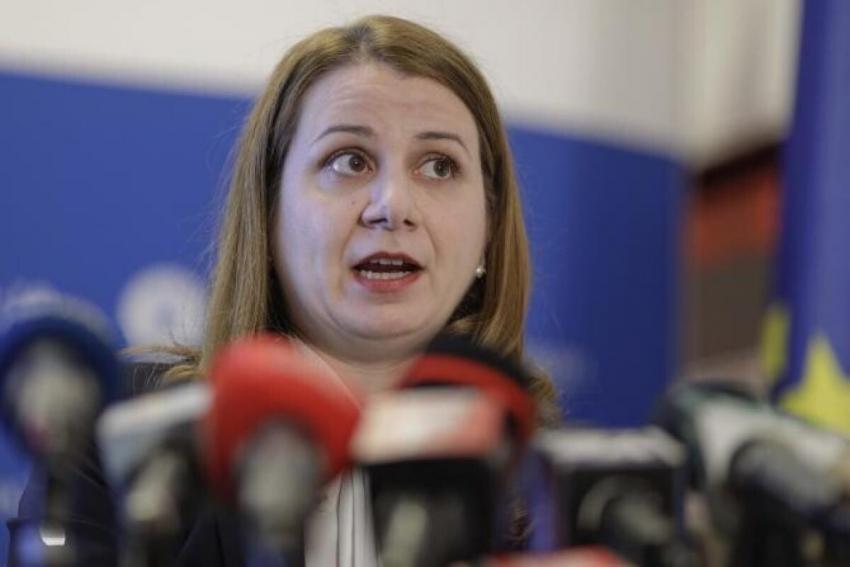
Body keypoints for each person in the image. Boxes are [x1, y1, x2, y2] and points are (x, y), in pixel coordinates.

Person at [8, 14, 558, 566]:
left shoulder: (555, 489)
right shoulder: (129, 438)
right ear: (269, 211)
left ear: (489, 225)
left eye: (439, 166)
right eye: (349, 160)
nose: (393, 205)